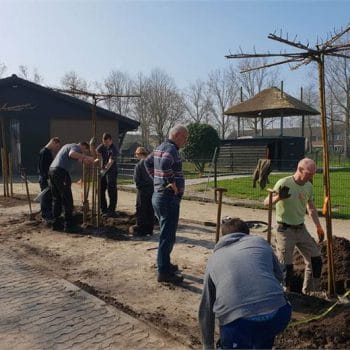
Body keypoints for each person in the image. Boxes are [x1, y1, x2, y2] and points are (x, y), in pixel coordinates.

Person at [199, 217, 291, 350]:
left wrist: (207, 345)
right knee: (264, 335)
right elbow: (279, 275)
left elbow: (207, 307)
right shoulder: (260, 242)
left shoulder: (213, 259)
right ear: (247, 233)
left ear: (223, 237)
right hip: (278, 315)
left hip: (237, 323)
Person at [263, 157, 325, 295]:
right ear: (300, 169)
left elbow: (311, 208)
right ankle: (286, 293)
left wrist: (319, 227)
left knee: (315, 259)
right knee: (286, 266)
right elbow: (266, 202)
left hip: (300, 228)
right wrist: (279, 197)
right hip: (284, 230)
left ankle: (310, 292)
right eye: (309, 173)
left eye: (313, 173)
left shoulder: (309, 186)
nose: (311, 176)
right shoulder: (284, 182)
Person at [145, 124, 188, 284]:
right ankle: (163, 272)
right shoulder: (171, 150)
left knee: (167, 233)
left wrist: (157, 181)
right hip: (168, 198)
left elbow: (147, 163)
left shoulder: (160, 147)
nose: (185, 141)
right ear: (177, 135)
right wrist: (171, 183)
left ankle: (165, 264)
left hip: (159, 195)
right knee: (167, 236)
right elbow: (164, 165)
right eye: (185, 137)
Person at [49, 142, 94, 233]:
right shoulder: (76, 147)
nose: (84, 152)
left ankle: (56, 224)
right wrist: (86, 157)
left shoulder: (67, 146)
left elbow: (77, 158)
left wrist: (85, 160)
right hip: (61, 172)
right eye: (85, 150)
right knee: (67, 199)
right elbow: (72, 154)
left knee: (57, 198)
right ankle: (69, 225)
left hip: (52, 171)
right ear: (83, 146)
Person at [129, 147, 154, 236]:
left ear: (139, 154)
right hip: (152, 189)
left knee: (141, 208)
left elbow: (136, 180)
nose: (136, 156)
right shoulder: (152, 163)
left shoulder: (139, 165)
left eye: (136, 154)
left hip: (142, 190)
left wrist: (139, 185)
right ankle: (150, 229)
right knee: (150, 208)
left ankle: (141, 228)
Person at [38, 137, 61, 224]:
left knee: (48, 197)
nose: (56, 148)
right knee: (45, 197)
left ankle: (48, 215)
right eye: (57, 146)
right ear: (53, 142)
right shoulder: (44, 152)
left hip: (46, 178)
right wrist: (47, 178)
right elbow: (42, 168)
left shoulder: (47, 152)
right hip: (45, 179)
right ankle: (46, 217)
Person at [96, 133, 119, 217]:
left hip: (111, 171)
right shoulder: (102, 146)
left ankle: (111, 210)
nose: (105, 144)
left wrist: (103, 170)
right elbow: (96, 152)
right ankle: (103, 209)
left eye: (107, 142)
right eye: (104, 142)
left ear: (111, 140)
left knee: (111, 189)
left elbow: (110, 162)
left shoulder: (114, 149)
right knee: (100, 189)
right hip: (103, 171)